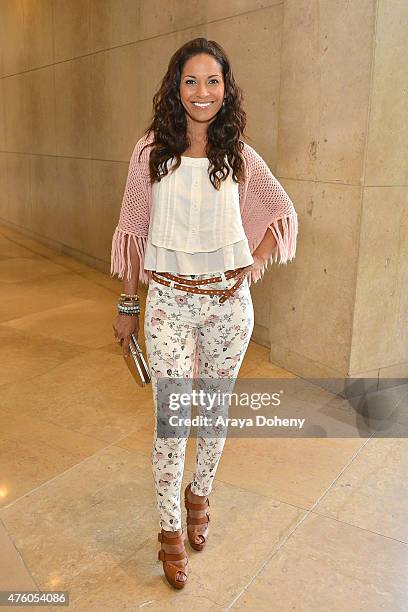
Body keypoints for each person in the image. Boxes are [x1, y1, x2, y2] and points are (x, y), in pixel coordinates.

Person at [111, 37, 298, 589]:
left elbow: (279, 211)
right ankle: (170, 534)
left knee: (212, 418)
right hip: (167, 302)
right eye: (191, 81)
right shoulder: (151, 153)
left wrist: (252, 265)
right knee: (173, 425)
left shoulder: (236, 152)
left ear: (225, 88)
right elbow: (134, 233)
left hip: (227, 306)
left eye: (212, 81)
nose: (202, 92)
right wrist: (128, 306)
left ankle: (201, 495)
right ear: (176, 87)